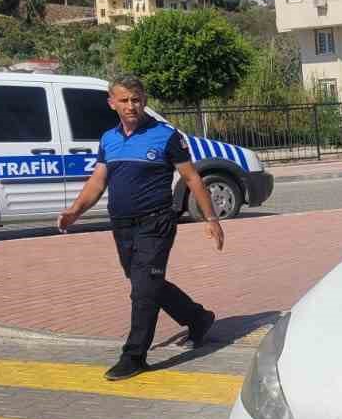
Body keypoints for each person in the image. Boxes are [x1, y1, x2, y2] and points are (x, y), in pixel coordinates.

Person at [58, 75, 223, 380]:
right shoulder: (109, 139)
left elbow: (192, 178)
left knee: (143, 291)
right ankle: (198, 318)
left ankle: (134, 356)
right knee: (147, 283)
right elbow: (98, 181)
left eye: (136, 99)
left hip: (156, 221)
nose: (131, 106)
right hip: (121, 224)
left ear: (144, 100)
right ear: (112, 103)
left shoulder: (165, 136)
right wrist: (76, 210)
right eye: (124, 100)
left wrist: (211, 219)